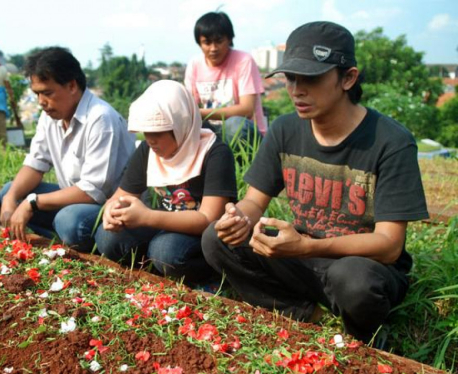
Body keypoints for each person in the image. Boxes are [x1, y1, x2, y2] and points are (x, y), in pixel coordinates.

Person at [201, 21, 428, 344]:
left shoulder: (391, 142)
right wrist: (239, 219)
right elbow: (255, 201)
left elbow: (389, 246)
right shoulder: (285, 129)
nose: (296, 90)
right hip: (301, 256)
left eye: (311, 78)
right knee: (215, 238)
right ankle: (306, 315)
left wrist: (309, 246)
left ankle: (363, 334)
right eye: (291, 78)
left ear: (348, 78)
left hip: (361, 264)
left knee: (354, 281)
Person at [96, 80, 237, 284]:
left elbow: (208, 219)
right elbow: (122, 194)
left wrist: (147, 217)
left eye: (158, 132)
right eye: (146, 132)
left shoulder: (215, 153)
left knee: (165, 250)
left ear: (181, 124)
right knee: (107, 237)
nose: (150, 140)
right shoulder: (148, 150)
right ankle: (154, 270)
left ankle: (208, 277)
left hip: (200, 236)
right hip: (162, 224)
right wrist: (113, 210)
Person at [0, 47, 135, 252]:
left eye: (47, 93)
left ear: (72, 86)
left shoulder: (100, 117)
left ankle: (69, 243)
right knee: (10, 191)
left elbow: (92, 192)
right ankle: (56, 241)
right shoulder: (50, 116)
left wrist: (33, 203)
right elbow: (35, 164)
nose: (41, 102)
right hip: (73, 199)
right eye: (37, 94)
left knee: (69, 220)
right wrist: (11, 199)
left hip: (107, 207)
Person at [184, 11, 266, 144]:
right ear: (199, 43)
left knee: (234, 125)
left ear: (229, 39)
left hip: (244, 132)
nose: (213, 48)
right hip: (213, 131)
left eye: (219, 41)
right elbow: (189, 106)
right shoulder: (194, 65)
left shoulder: (244, 61)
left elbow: (247, 109)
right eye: (207, 42)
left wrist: (200, 113)